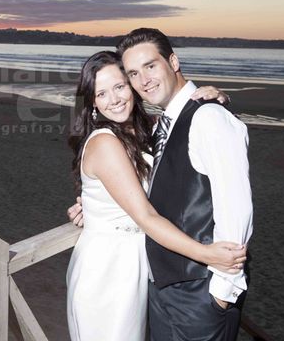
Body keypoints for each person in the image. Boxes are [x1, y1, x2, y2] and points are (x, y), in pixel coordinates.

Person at [66, 50, 246, 341]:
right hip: (108, 269)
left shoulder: (146, 130)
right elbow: (146, 216)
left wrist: (218, 98)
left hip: (139, 264)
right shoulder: (105, 143)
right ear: (93, 103)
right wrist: (207, 255)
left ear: (132, 86)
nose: (114, 99)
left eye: (120, 86)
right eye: (101, 93)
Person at [118, 27, 252, 341]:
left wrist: (221, 294)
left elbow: (237, 209)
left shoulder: (209, 119)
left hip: (199, 295)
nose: (143, 80)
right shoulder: (165, 122)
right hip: (164, 291)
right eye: (134, 73)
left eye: (151, 66)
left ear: (173, 61)